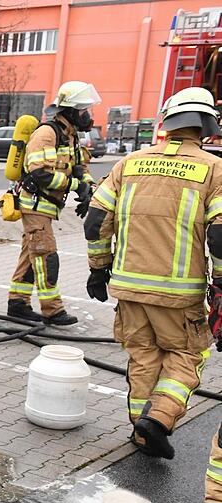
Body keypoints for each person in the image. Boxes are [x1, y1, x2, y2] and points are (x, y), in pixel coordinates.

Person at [83, 86, 222, 467]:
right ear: (207, 125)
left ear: (168, 121)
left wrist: (98, 270)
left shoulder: (129, 164)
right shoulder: (214, 169)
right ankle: (158, 419)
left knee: (142, 357)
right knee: (189, 354)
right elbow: (221, 236)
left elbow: (95, 223)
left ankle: (140, 430)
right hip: (180, 295)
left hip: (128, 288)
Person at [8, 81, 101, 326]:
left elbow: (80, 168)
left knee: (31, 254)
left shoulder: (71, 137)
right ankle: (53, 310)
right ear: (70, 111)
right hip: (35, 204)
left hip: (48, 207)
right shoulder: (46, 133)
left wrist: (88, 189)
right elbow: (40, 174)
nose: (87, 116)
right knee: (46, 255)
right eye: (83, 111)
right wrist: (75, 186)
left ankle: (17, 304)